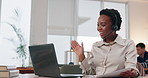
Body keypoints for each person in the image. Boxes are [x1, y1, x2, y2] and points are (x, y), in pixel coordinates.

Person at [72, 8, 139, 77]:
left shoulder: (128, 45)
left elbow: (131, 68)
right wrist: (81, 56)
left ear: (114, 27)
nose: (99, 28)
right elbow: (91, 73)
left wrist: (133, 73)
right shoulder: (95, 46)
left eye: (103, 25)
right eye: (98, 25)